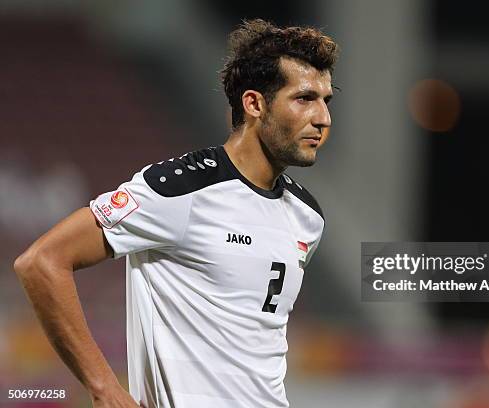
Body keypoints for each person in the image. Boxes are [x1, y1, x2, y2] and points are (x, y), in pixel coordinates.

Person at [14, 19, 338, 408]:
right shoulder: (181, 190)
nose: (323, 118)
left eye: (326, 100)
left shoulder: (308, 217)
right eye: (305, 99)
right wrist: (104, 389)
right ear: (254, 104)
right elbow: (41, 262)